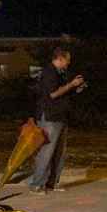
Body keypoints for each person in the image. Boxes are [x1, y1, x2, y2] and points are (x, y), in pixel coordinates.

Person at [30, 48, 83, 194]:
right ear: (60, 58)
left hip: (60, 116)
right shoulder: (49, 72)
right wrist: (71, 85)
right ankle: (37, 184)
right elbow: (52, 94)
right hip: (49, 117)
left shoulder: (62, 73)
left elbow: (63, 91)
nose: (69, 63)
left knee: (59, 153)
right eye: (67, 60)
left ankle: (52, 183)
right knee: (47, 151)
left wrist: (76, 88)